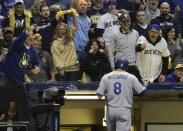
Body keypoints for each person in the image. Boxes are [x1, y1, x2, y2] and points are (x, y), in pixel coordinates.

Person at [0, 26, 41, 121]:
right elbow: (20, 39)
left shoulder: (32, 50)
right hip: (6, 77)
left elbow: (38, 62)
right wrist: (27, 30)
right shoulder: (17, 45)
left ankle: (20, 126)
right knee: (2, 105)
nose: (30, 36)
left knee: (20, 106)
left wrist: (38, 67)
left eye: (31, 35)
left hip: (18, 81)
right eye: (28, 35)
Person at [96, 59, 146, 131]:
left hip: (111, 109)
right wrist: (145, 86)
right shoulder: (131, 77)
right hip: (124, 109)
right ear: (126, 67)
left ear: (116, 66)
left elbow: (99, 95)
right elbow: (142, 92)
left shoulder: (106, 77)